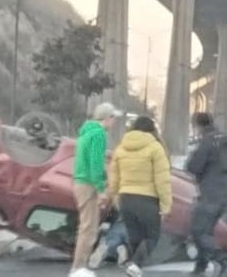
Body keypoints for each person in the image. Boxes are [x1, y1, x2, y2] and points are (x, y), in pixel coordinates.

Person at [108, 115, 172, 277]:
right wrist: (166, 205)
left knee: (135, 236)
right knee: (152, 236)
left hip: (125, 198)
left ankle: (132, 266)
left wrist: (115, 196)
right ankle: (135, 265)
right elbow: (162, 180)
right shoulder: (155, 148)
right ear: (152, 130)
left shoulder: (121, 148)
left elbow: (114, 176)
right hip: (147, 199)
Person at [184, 112, 227, 277]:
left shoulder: (207, 142)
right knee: (205, 231)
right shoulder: (226, 140)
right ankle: (200, 268)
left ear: (197, 125)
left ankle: (223, 260)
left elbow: (192, 167)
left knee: (198, 231)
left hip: (211, 194)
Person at [71, 102, 122, 277]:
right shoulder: (99, 135)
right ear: (107, 118)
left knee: (87, 226)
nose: (114, 122)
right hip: (88, 184)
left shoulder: (86, 133)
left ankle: (79, 266)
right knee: (89, 227)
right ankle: (79, 268)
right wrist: (101, 188)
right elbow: (96, 163)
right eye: (113, 118)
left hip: (80, 181)